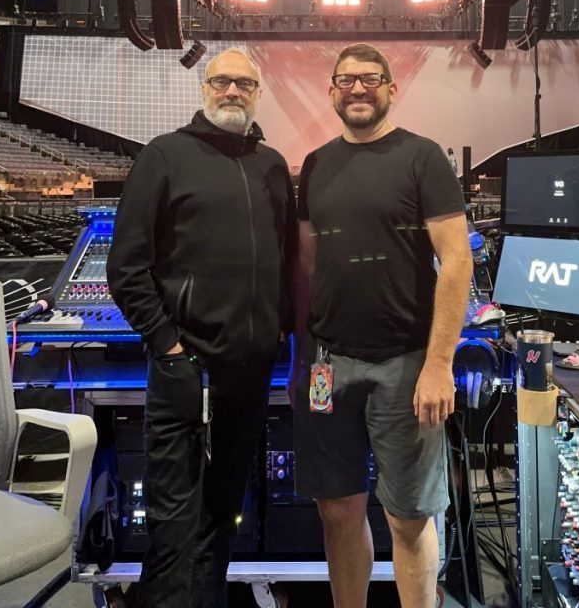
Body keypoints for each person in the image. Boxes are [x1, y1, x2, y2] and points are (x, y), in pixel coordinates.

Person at [107, 48, 296, 608]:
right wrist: (168, 346)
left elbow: (285, 261)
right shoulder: (164, 157)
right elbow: (127, 268)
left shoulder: (272, 166)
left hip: (249, 374)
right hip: (184, 370)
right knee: (173, 522)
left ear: (258, 93)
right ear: (204, 89)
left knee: (222, 515)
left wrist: (278, 330)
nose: (232, 91)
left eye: (244, 83)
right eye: (222, 82)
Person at [291, 42, 473, 608]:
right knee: (337, 511)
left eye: (371, 79)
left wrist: (439, 364)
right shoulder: (316, 164)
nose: (358, 89)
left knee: (408, 517)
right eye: (346, 80)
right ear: (332, 92)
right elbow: (306, 265)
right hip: (327, 365)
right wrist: (304, 358)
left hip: (405, 364)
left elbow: (456, 260)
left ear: (392, 88)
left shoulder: (422, 158)